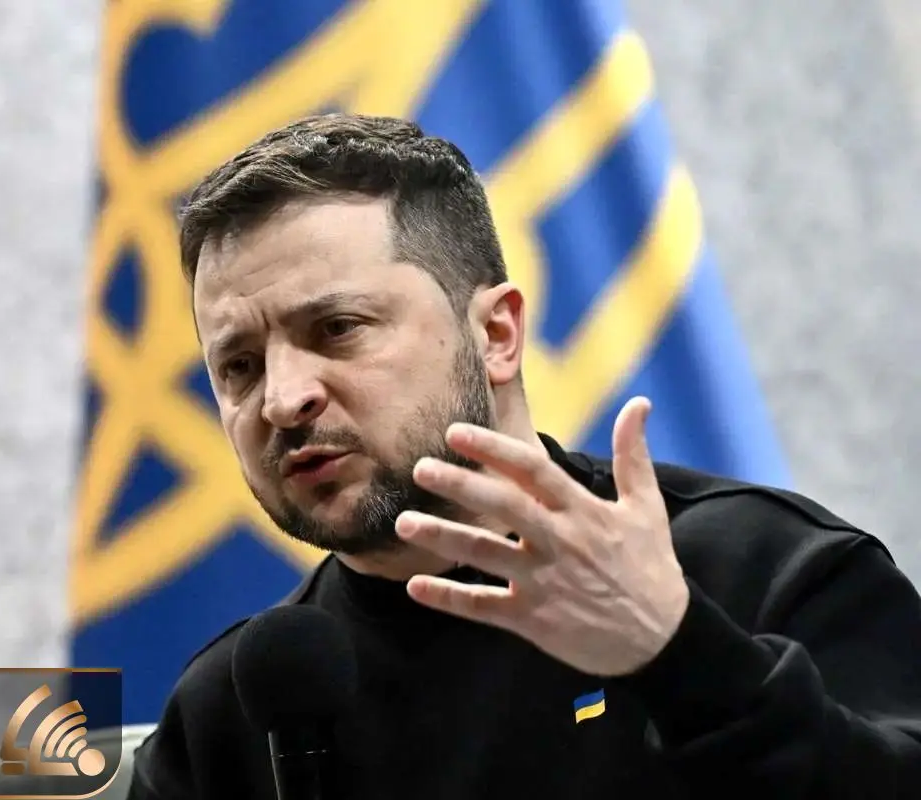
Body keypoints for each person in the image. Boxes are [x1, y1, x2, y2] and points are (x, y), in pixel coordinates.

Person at [125, 113, 921, 799]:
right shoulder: (230, 712)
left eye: (337, 329)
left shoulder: (762, 570)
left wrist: (680, 655)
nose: (282, 398)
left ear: (496, 334)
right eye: (239, 366)